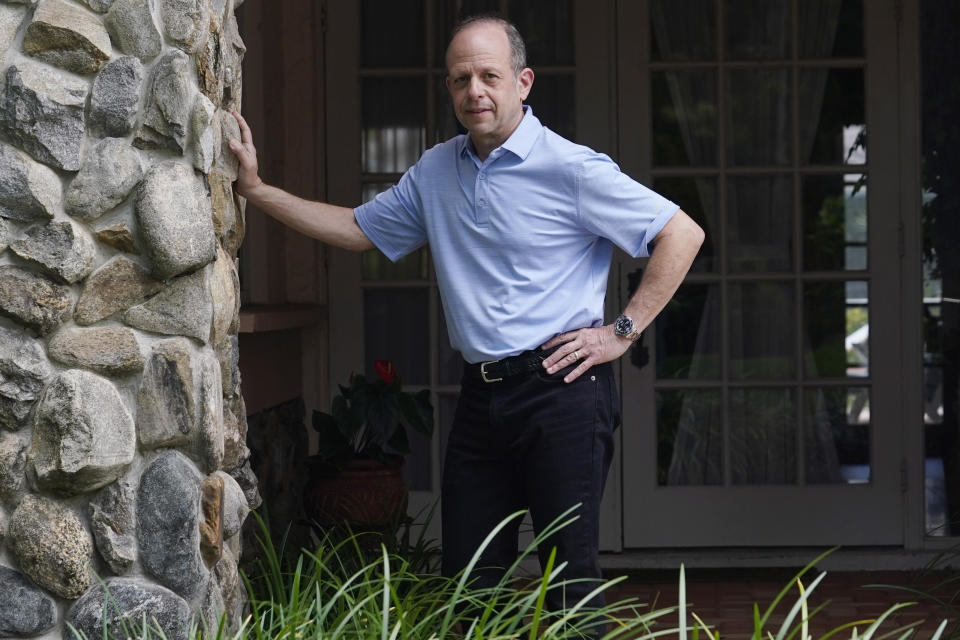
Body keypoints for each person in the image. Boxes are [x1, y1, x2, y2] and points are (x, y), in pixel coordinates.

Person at [229, 12, 703, 625]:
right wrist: (258, 191)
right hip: (482, 399)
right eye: (460, 79)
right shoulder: (436, 171)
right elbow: (356, 229)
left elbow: (680, 233)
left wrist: (621, 333)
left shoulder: (572, 168)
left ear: (523, 82)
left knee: (569, 581)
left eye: (489, 76)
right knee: (469, 585)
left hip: (562, 393)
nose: (474, 91)